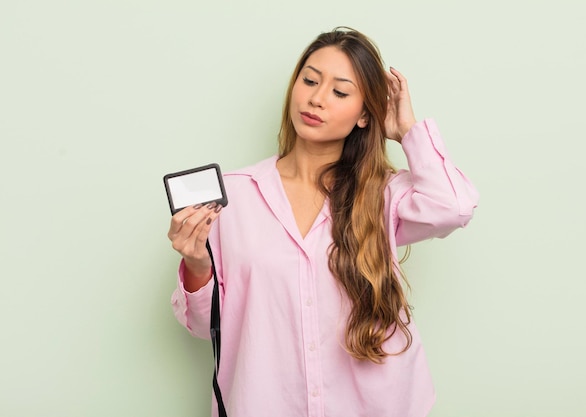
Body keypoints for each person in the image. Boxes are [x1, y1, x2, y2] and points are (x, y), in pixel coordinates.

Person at [167, 27, 479, 417]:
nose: (316, 98)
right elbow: (203, 326)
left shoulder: (382, 194)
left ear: (366, 114)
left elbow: (454, 207)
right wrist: (197, 265)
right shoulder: (234, 196)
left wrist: (406, 131)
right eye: (310, 80)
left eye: (340, 91)